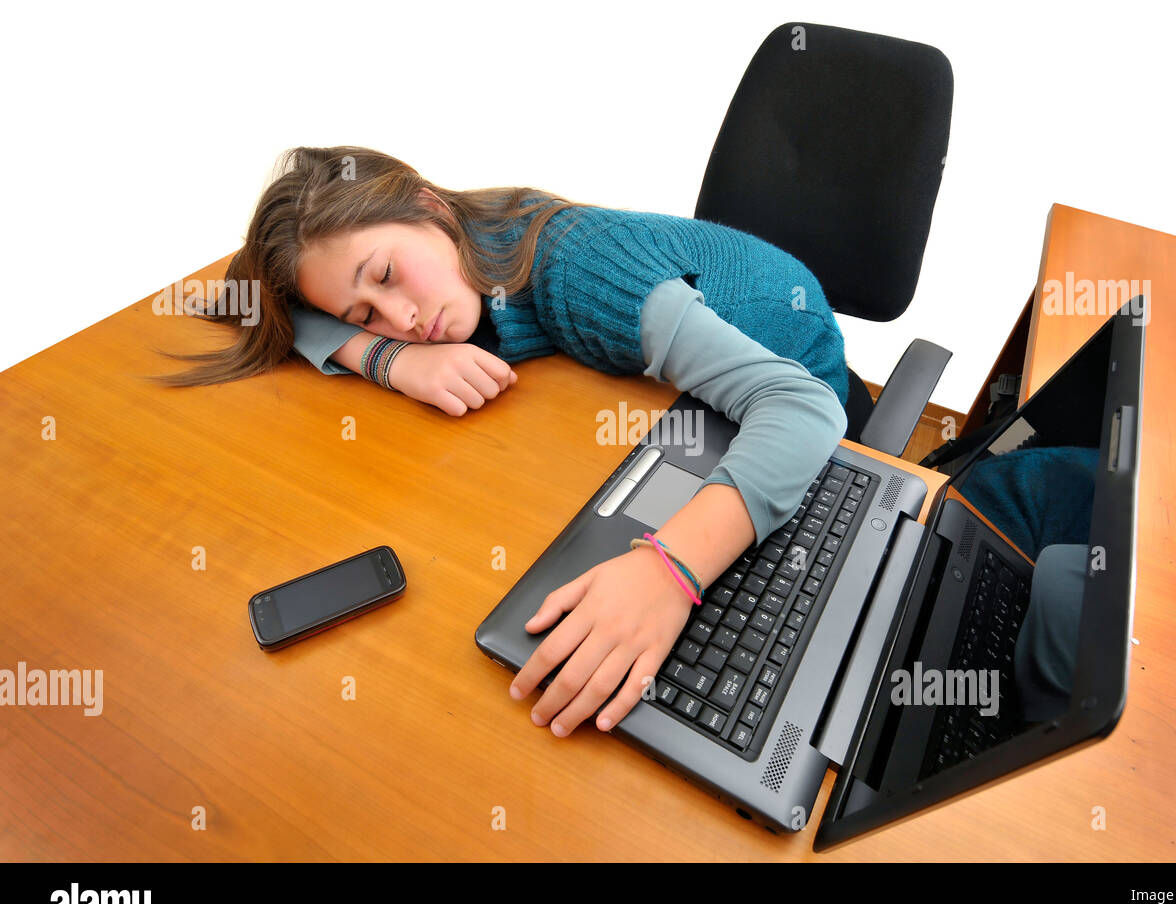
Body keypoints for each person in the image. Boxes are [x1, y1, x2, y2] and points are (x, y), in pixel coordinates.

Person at [153, 145, 869, 739]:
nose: (402, 317)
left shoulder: (580, 267)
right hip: (685, 408)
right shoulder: (461, 262)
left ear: (430, 207)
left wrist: (670, 572)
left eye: (386, 276)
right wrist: (387, 359)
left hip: (798, 389)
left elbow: (801, 408)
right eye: (366, 313)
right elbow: (244, 297)